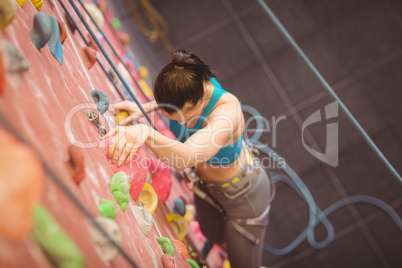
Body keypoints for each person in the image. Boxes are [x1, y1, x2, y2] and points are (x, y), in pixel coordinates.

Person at [102, 49, 272, 268]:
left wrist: (146, 133)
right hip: (208, 186)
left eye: (183, 117)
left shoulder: (225, 115)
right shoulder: (193, 80)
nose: (179, 122)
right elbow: (173, 103)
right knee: (211, 232)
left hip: (243, 196)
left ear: (198, 101)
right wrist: (145, 107)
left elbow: (186, 157)